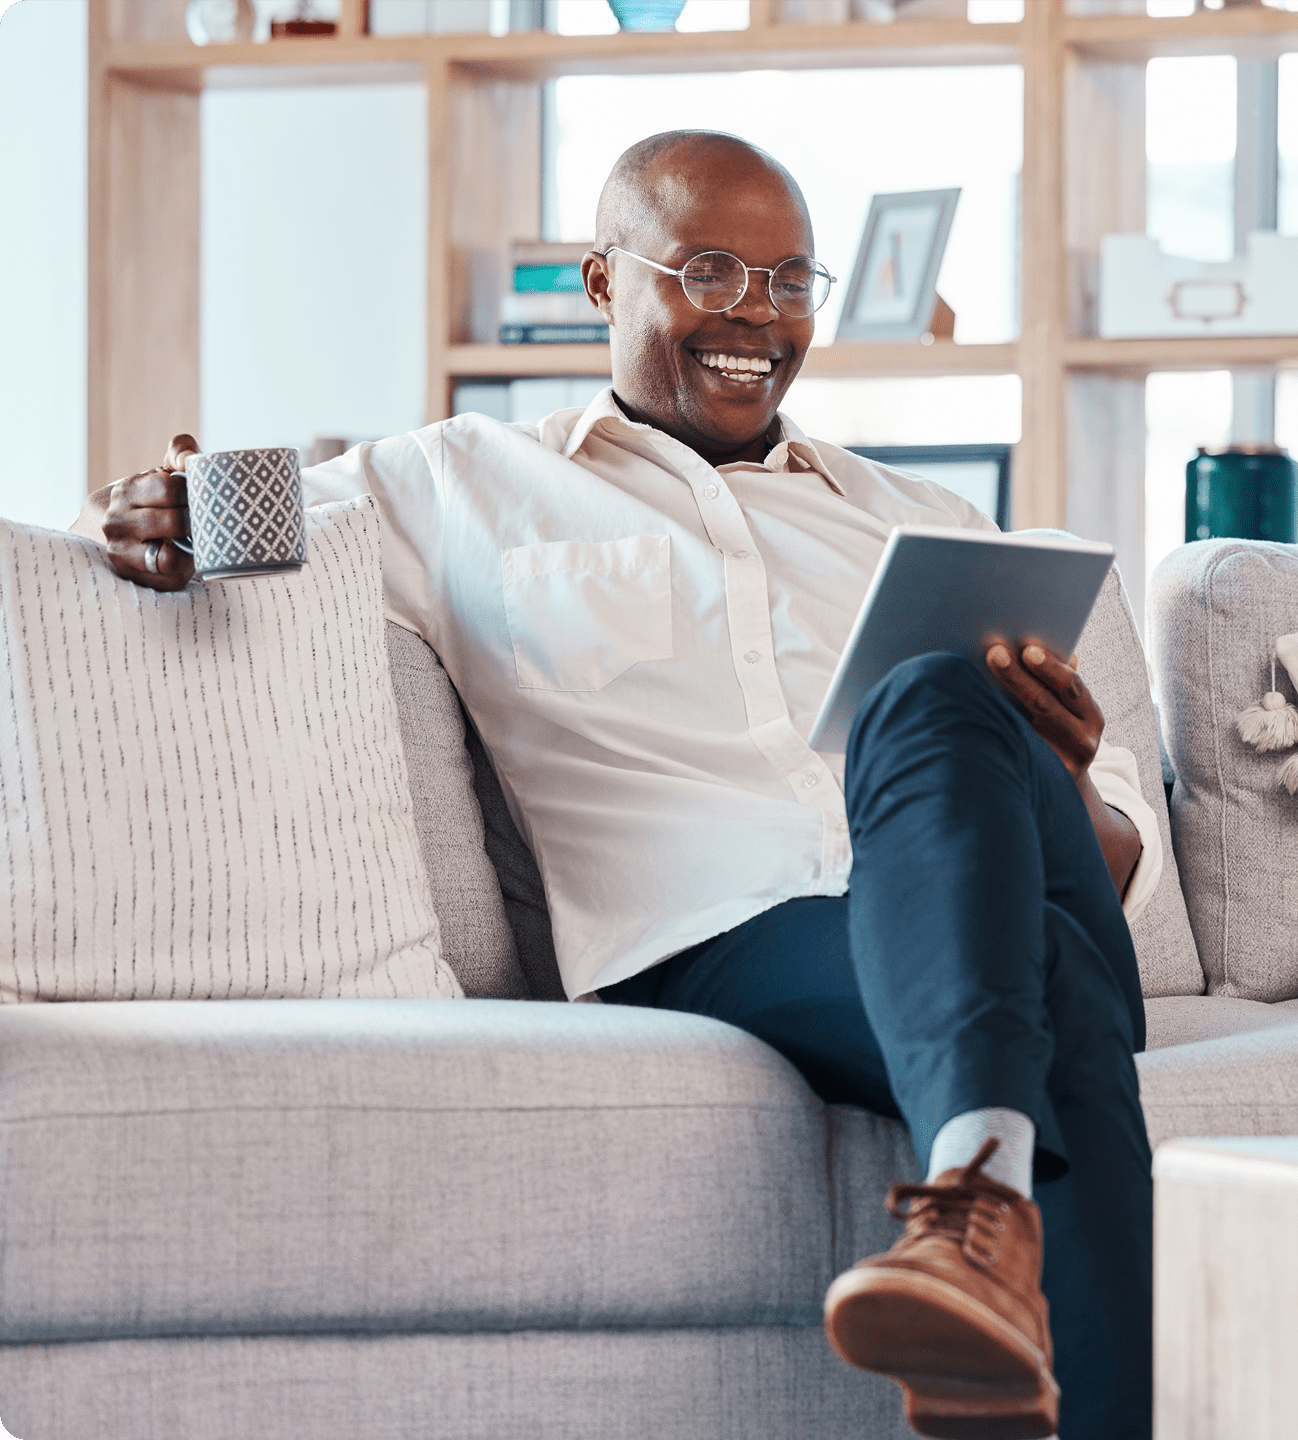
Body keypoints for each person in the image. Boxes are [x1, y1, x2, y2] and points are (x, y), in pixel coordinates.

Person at [76, 130, 1158, 1440]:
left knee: (936, 700)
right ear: (601, 282)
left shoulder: (917, 519)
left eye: (790, 282)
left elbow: (1097, 868)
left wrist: (1051, 773)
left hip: (960, 902)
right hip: (719, 940)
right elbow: (221, 519)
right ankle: (989, 1222)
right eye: (710, 270)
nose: (756, 316)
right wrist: (144, 515)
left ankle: (973, 1207)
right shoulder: (456, 485)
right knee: (1056, 987)